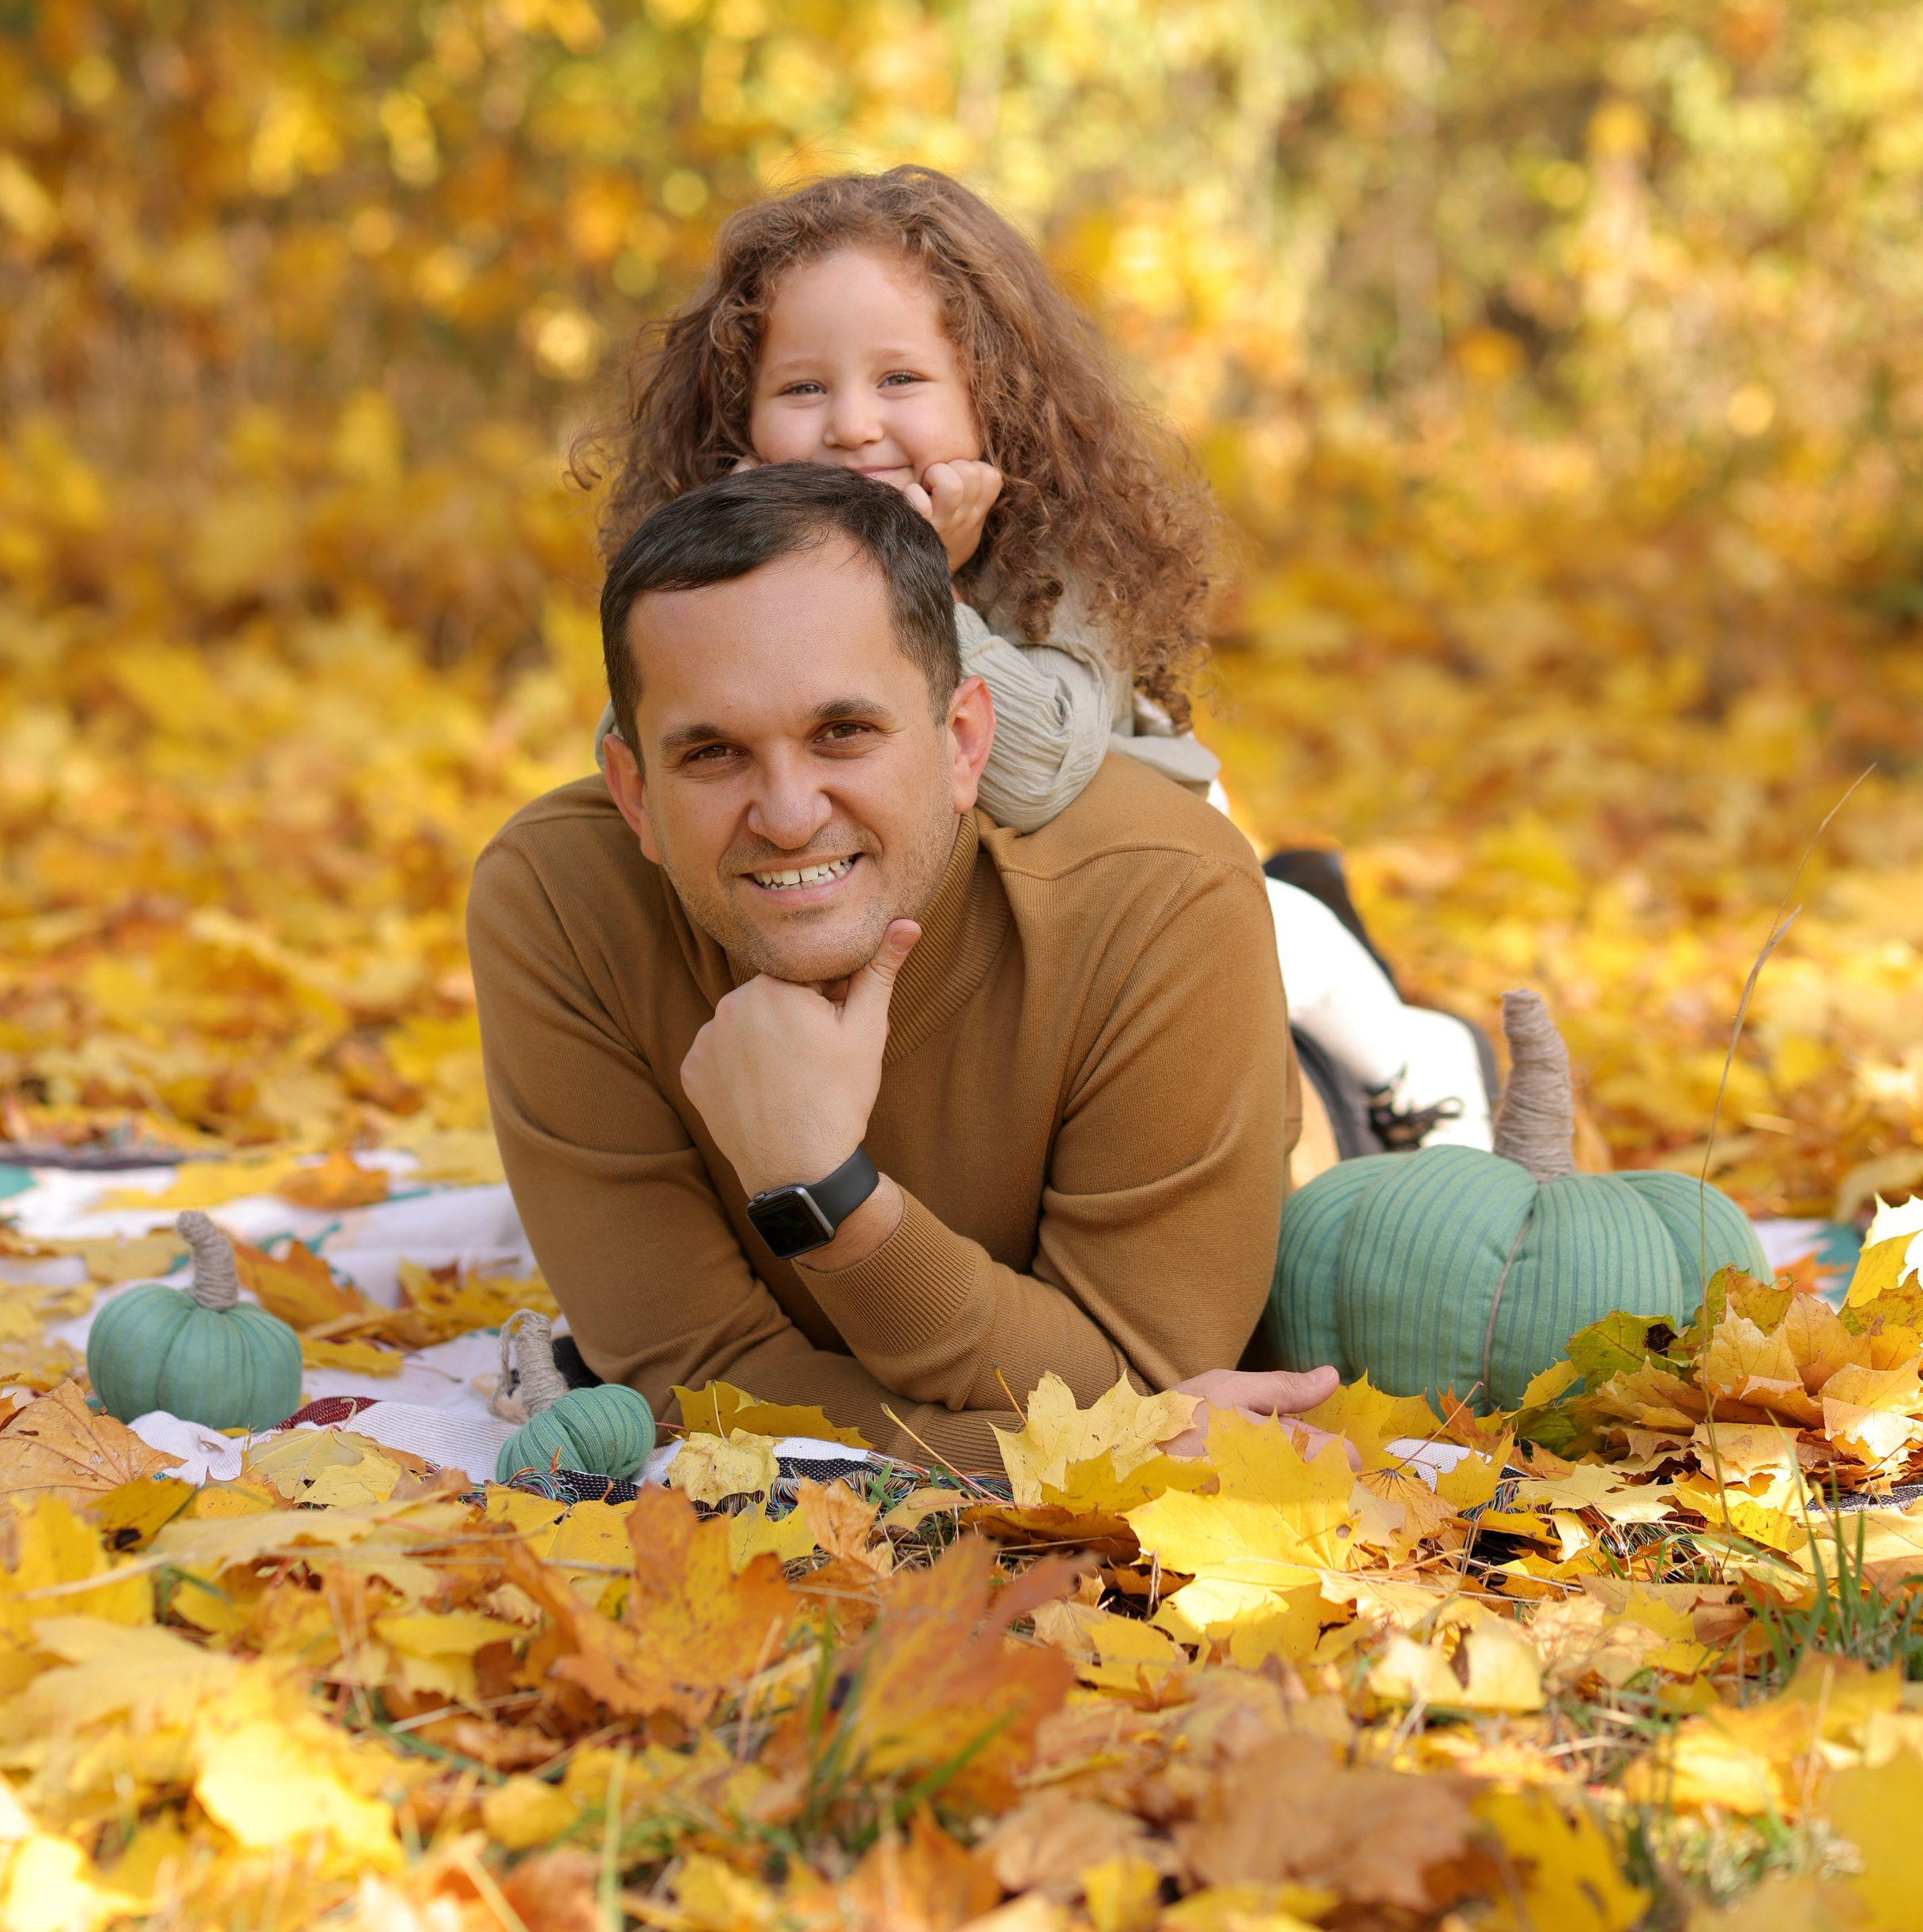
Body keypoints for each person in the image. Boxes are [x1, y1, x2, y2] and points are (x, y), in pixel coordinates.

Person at [583, 164, 1487, 1158]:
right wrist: (753, 579)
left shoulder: (1057, 554)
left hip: (1125, 871)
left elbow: (1044, 772)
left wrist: (921, 579)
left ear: (989, 395)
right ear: (742, 423)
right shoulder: (726, 575)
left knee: (1283, 936)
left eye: (899, 380)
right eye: (802, 388)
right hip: (936, 908)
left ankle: (1413, 1064)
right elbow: (647, 738)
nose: (850, 425)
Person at [467, 466, 1336, 1471]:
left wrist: (827, 1198)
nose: (787, 815)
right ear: (633, 793)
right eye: (711, 754)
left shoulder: (1164, 892)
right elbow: (689, 1373)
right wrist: (1078, 1454)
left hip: (1258, 1124)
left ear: (963, 742)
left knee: (1378, 1240)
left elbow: (1140, 1379)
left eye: (842, 732)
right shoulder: (557, 898)